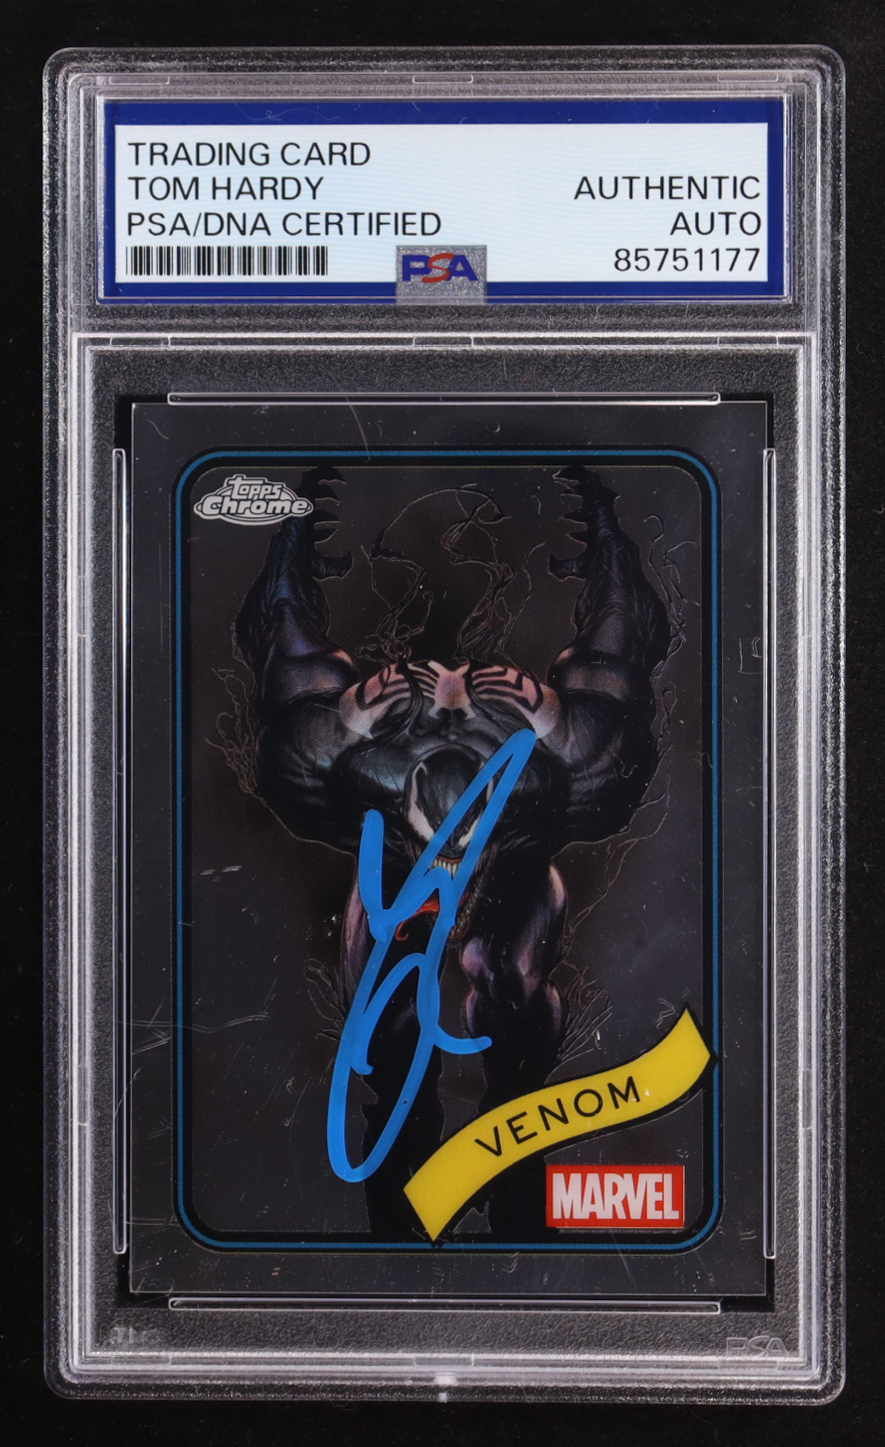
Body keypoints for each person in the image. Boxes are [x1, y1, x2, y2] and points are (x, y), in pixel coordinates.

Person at [235, 463, 670, 1237]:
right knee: (395, 1027)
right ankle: (412, 1195)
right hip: (407, 836)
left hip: (508, 849)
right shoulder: (368, 758)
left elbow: (619, 657)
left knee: (501, 989)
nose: (450, 688)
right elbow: (287, 698)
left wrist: (603, 541)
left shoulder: (554, 763)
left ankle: (506, 1169)